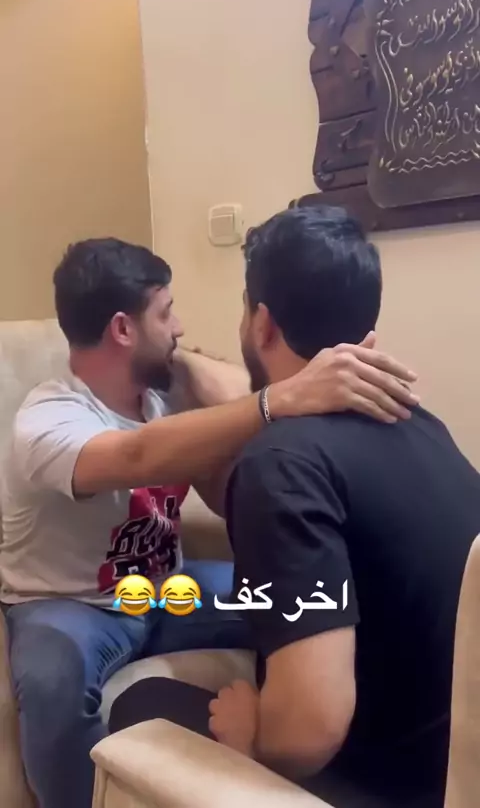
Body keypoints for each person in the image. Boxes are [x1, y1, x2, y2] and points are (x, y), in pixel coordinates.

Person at [0, 236, 417, 808]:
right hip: (70, 604)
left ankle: (346, 759)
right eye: (165, 313)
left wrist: (186, 363)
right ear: (123, 329)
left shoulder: (164, 398)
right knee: (52, 681)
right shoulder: (47, 419)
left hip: (169, 588)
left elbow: (225, 495)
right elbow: (135, 456)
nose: (179, 327)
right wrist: (279, 398)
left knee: (312, 605)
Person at [110, 208, 480, 808]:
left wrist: (254, 733)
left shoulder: (282, 465)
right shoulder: (417, 422)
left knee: (140, 704)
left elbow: (310, 730)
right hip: (456, 763)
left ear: (262, 323)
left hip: (386, 786)